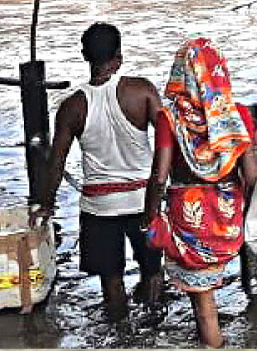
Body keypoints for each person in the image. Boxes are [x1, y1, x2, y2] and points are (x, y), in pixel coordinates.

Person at [32, 23, 163, 321]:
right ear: (119, 57)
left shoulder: (72, 107)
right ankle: (157, 328)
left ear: (84, 55)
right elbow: (169, 141)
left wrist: (46, 204)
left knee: (111, 279)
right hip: (144, 201)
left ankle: (120, 334)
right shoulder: (141, 91)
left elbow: (56, 162)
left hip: (99, 207)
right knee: (153, 270)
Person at [144, 38, 257, 349]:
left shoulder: (169, 118)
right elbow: (251, 176)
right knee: (205, 300)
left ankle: (214, 344)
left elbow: (159, 176)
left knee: (203, 305)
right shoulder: (236, 115)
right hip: (227, 219)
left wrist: (150, 215)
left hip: (190, 220)